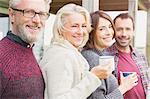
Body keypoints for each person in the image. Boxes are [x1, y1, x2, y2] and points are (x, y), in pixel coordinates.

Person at [40, 3, 112, 99]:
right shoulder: (61, 55)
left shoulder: (69, 51)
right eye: (74, 26)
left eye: (83, 26)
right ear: (60, 29)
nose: (80, 31)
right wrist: (93, 77)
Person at [81, 11, 138, 99]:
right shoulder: (92, 58)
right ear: (91, 33)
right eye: (102, 29)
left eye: (110, 27)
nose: (109, 32)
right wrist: (123, 88)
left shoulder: (102, 55)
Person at [0, 0, 50, 98]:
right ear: (12, 15)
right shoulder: (2, 57)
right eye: (29, 12)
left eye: (41, 14)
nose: (37, 20)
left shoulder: (28, 50)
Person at [105, 13, 149, 99]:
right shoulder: (105, 55)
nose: (124, 34)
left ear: (133, 31)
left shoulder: (140, 55)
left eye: (128, 29)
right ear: (113, 31)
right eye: (119, 29)